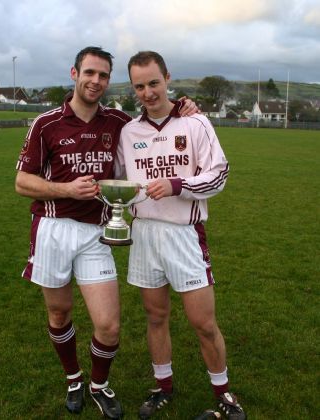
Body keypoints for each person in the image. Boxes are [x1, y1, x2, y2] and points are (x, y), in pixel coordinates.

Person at [15, 46, 198, 419]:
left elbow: (154, 118)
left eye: (103, 75)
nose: (96, 81)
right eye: (89, 73)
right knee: (59, 312)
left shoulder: (118, 122)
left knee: (109, 326)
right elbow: (21, 182)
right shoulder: (46, 124)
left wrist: (182, 106)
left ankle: (98, 385)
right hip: (52, 227)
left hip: (96, 232)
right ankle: (73, 379)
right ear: (75, 74)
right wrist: (67, 189)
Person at [115, 51, 246, 420]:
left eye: (154, 83)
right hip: (144, 234)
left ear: (167, 78)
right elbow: (117, 179)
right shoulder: (129, 132)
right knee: (155, 316)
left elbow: (219, 175)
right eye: (139, 86)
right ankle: (163, 386)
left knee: (203, 323)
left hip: (184, 234)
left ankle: (223, 393)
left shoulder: (196, 123)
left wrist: (178, 185)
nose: (148, 92)